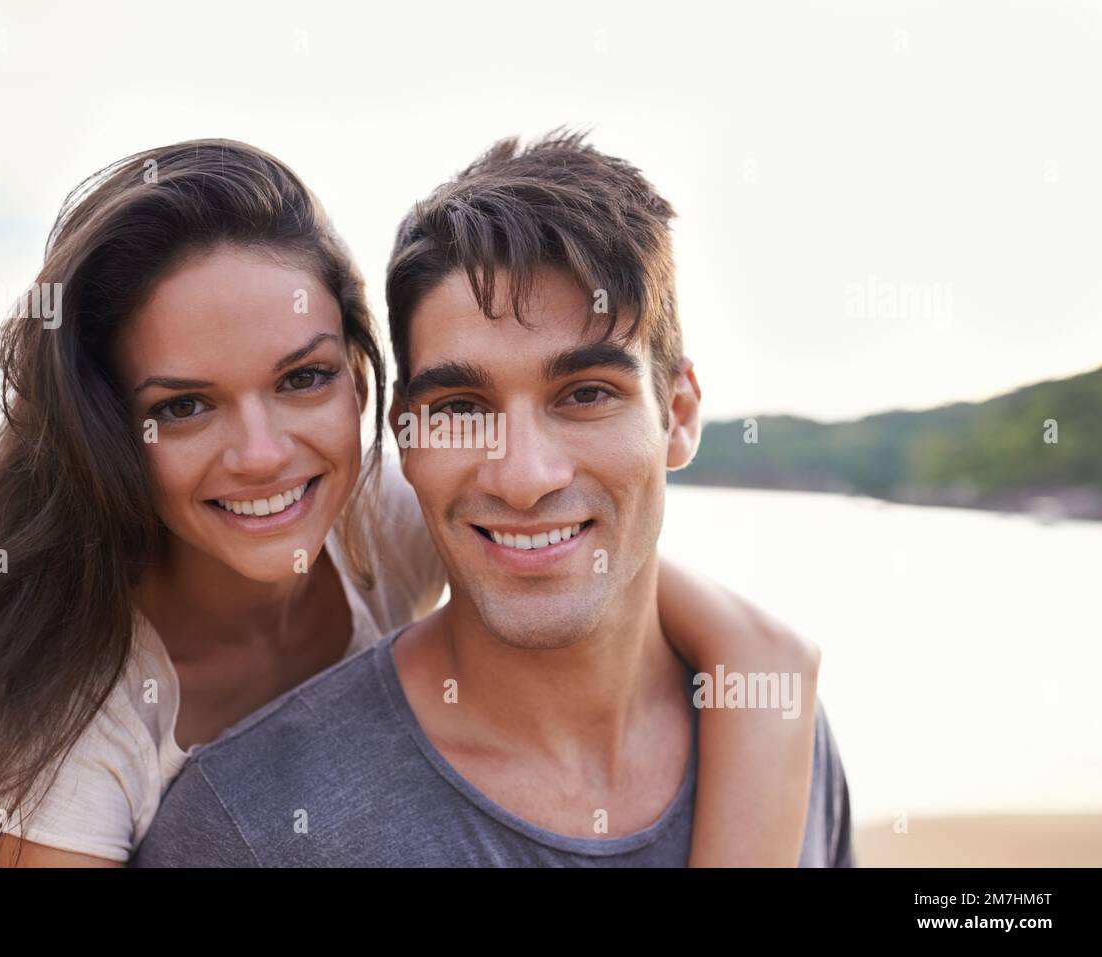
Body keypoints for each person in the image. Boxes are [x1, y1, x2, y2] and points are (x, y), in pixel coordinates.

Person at [0, 138, 823, 868]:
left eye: (304, 379)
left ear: (366, 386)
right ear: (114, 428)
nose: (265, 454)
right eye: (184, 406)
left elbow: (592, 555)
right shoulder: (75, 719)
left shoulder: (380, 517)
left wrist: (766, 673)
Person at [133, 131, 853, 867]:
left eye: (585, 393)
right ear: (405, 439)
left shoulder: (780, 731)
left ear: (681, 414)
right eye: (461, 407)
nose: (524, 475)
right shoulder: (244, 833)